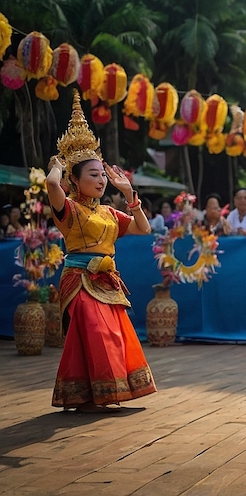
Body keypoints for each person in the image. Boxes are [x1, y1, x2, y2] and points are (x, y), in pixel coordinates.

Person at [45, 92, 156, 412]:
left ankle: (95, 395)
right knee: (96, 331)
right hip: (79, 278)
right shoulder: (68, 210)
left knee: (114, 333)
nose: (101, 180)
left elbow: (143, 228)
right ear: (75, 180)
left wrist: (128, 193)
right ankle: (96, 393)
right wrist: (58, 167)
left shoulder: (109, 212)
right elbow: (53, 187)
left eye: (103, 175)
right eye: (93, 175)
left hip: (107, 279)